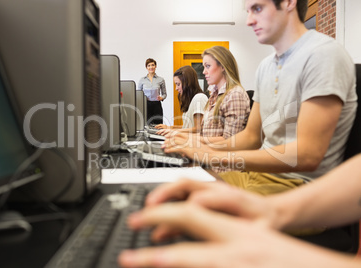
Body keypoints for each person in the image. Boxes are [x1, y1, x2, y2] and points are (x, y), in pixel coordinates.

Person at [163, 0, 357, 194]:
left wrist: (211, 154)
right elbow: (251, 137)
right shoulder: (266, 67)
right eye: (248, 11)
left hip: (298, 187)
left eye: (257, 9)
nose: (249, 21)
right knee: (172, 189)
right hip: (256, 175)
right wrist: (194, 144)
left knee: (190, 207)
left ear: (289, 3)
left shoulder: (323, 55)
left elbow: (307, 155)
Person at [118, 154, 361, 268]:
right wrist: (273, 211)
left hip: (291, 181)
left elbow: (308, 153)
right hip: (264, 178)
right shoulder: (268, 67)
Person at [155, 65, 208, 135]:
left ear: (188, 83)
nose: (176, 88)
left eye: (178, 84)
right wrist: (170, 128)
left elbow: (198, 129)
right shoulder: (192, 100)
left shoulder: (199, 98)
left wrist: (173, 131)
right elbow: (187, 127)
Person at [138, 58, 167, 125]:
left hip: (157, 105)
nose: (151, 67)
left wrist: (162, 98)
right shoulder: (142, 80)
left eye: (152, 65)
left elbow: (164, 94)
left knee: (158, 125)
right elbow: (138, 94)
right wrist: (143, 98)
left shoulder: (161, 79)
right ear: (146, 67)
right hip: (146, 105)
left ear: (155, 66)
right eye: (149, 65)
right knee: (147, 124)